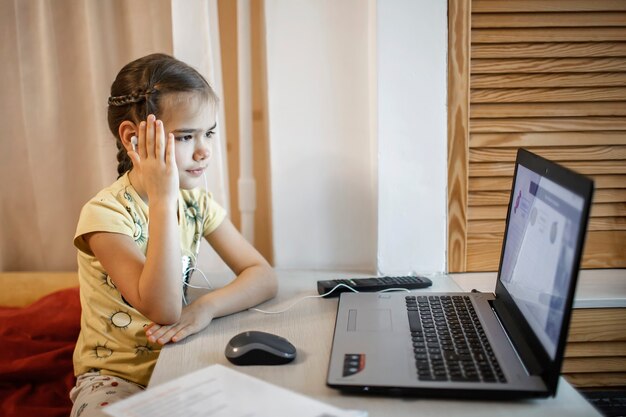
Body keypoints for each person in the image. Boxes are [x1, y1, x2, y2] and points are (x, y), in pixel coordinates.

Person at [69, 53, 278, 417]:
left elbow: (262, 275)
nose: (204, 150)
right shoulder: (104, 215)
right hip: (117, 378)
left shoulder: (196, 201)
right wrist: (163, 198)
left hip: (183, 360)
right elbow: (164, 310)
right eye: (185, 136)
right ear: (134, 140)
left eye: (209, 132)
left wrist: (205, 309)